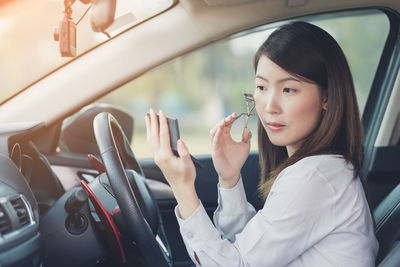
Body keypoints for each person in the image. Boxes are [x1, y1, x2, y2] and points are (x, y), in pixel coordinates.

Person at [145, 21, 378, 267]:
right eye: (261, 87)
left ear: (327, 98)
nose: (269, 106)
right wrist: (230, 179)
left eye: (288, 89)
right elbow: (251, 249)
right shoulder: (325, 169)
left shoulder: (314, 176)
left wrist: (182, 188)